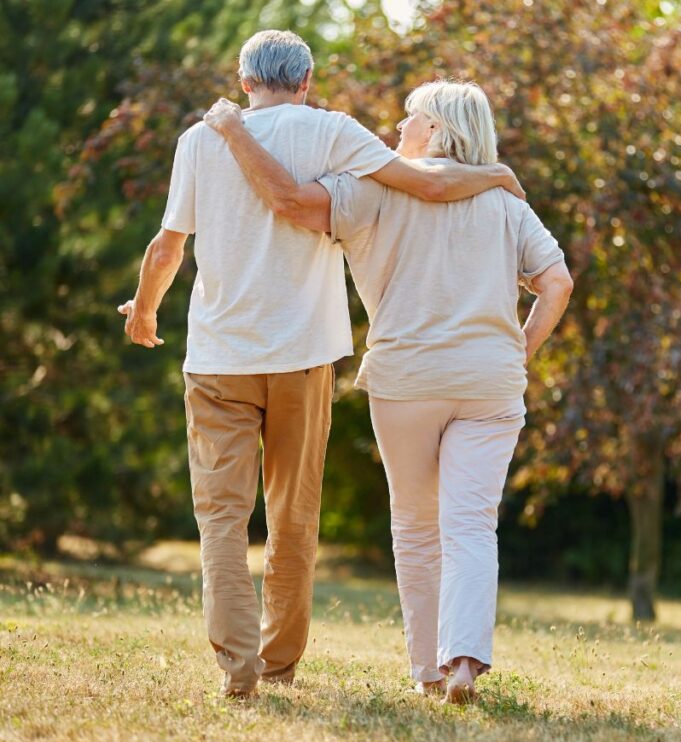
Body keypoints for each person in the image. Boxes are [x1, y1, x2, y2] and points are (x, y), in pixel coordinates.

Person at [118, 31, 524, 700]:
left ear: (244, 81)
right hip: (303, 357)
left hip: (219, 358)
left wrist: (145, 312)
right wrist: (497, 176)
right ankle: (278, 663)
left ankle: (236, 666)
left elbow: (168, 246)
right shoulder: (334, 132)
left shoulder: (199, 140)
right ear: (306, 81)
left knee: (221, 519)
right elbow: (422, 180)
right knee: (293, 516)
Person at [202, 80, 573, 704]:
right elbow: (556, 283)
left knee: (416, 525)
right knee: (473, 525)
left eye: (409, 118)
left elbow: (293, 206)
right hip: (491, 379)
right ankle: (464, 662)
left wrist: (236, 136)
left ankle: (426, 671)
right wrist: (519, 349)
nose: (396, 128)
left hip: (407, 378)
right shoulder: (506, 198)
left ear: (433, 129)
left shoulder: (370, 188)